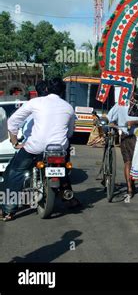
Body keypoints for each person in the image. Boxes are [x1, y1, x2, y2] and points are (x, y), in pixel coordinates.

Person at [1, 78, 79, 221]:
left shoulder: (36, 102)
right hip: (60, 148)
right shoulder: (68, 107)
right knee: (64, 169)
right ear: (63, 92)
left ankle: (8, 210)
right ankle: (68, 197)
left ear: (47, 90)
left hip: (35, 146)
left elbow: (12, 121)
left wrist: (14, 142)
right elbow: (70, 133)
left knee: (16, 172)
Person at [106, 103, 138, 199]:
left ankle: (131, 187)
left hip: (135, 136)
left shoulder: (123, 103)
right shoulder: (122, 104)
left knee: (131, 163)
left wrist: (132, 123)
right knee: (129, 162)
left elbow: (109, 118)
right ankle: (130, 187)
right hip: (130, 136)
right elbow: (109, 119)